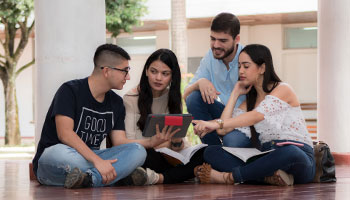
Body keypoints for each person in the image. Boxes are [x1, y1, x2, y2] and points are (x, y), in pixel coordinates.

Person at [192, 44, 315, 186]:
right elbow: (223, 130)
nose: (241, 71)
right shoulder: (248, 102)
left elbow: (257, 116)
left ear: (262, 68)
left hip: (298, 157)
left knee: (290, 152)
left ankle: (229, 177)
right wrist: (235, 93)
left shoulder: (283, 89)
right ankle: (267, 178)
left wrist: (214, 123)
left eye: (246, 66)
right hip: (267, 157)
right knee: (211, 152)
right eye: (239, 67)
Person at [32, 44, 147, 189]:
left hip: (92, 158)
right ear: (106, 71)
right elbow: (65, 134)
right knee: (56, 153)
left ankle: (90, 179)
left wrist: (153, 141)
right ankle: (116, 177)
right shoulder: (69, 91)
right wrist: (98, 161)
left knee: (138, 151)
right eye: (125, 71)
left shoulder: (117, 102)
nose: (128, 77)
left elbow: (119, 141)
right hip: (58, 160)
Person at [115, 48, 205, 185]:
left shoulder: (173, 98)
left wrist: (176, 141)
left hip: (168, 156)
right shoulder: (131, 98)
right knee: (148, 156)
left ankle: (157, 178)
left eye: (165, 73)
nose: (158, 78)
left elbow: (178, 145)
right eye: (153, 71)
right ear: (146, 71)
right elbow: (131, 142)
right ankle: (174, 175)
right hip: (144, 154)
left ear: (172, 76)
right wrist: (159, 143)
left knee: (204, 154)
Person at [184, 12, 248, 146]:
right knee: (194, 98)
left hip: (247, 120)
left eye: (223, 41)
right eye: (213, 39)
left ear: (237, 39)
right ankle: (213, 149)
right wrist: (200, 83)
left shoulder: (249, 57)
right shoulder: (210, 57)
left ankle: (219, 155)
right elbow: (186, 95)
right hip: (224, 115)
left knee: (232, 141)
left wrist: (223, 124)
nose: (216, 45)